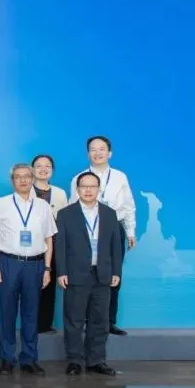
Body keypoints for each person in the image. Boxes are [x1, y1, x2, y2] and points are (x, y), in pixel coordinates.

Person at [0, 164, 57, 376]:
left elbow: (49, 239)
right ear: (12, 181)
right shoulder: (1, 204)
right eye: (18, 177)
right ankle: (7, 358)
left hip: (35, 264)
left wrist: (47, 268)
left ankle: (29, 358)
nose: (23, 180)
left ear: (33, 179)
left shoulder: (43, 206)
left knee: (31, 313)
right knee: (7, 312)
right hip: (9, 262)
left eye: (27, 176)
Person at [56, 172, 122, 376]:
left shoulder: (109, 214)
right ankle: (74, 360)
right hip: (75, 274)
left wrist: (116, 271)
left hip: (102, 274)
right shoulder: (66, 214)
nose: (88, 190)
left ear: (98, 189)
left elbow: (116, 246)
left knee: (100, 320)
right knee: (74, 320)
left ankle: (96, 360)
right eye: (84, 186)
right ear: (77, 189)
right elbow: (60, 246)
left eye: (92, 186)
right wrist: (61, 272)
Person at [69, 135, 135, 336]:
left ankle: (109, 321)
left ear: (109, 153)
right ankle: (86, 320)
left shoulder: (120, 177)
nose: (97, 153)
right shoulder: (78, 178)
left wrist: (130, 231)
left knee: (113, 274)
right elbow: (72, 208)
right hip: (86, 230)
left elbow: (128, 205)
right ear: (88, 153)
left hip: (114, 228)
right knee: (86, 274)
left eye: (101, 149)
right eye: (93, 149)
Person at [32, 154, 68, 335]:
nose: (43, 169)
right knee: (31, 284)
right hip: (30, 243)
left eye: (47, 166)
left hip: (53, 242)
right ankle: (31, 322)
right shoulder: (25, 189)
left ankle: (45, 323)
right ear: (32, 169)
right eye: (39, 165)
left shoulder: (60, 193)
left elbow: (65, 220)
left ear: (52, 170)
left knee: (49, 283)